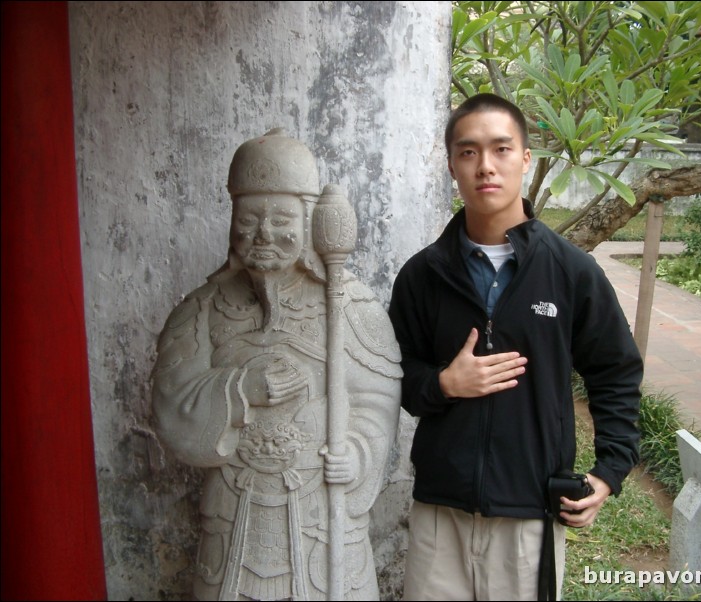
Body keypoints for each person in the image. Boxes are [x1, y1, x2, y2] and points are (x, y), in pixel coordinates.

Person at [388, 93, 643, 601]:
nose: (486, 166)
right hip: (441, 510)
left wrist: (610, 472)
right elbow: (395, 376)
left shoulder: (571, 272)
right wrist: (442, 384)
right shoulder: (423, 275)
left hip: (530, 512)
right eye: (468, 152)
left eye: (501, 149)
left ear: (525, 159)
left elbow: (615, 371)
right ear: (451, 165)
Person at [151, 128, 402, 601]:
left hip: (321, 519)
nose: (263, 233)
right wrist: (241, 388)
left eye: (282, 218)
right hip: (232, 515)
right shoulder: (203, 308)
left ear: (308, 222)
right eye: (248, 218)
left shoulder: (349, 306)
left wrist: (357, 452)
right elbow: (171, 404)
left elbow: (376, 400)